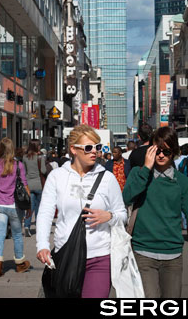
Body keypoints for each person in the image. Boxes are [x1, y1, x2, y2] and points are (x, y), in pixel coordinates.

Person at [36, 125, 127, 298]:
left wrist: (109, 216)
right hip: (66, 255)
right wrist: (42, 245)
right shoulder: (57, 176)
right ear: (73, 149)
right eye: (88, 147)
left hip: (99, 256)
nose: (94, 152)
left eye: (97, 147)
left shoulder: (107, 178)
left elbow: (122, 214)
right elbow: (45, 213)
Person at [123, 126, 188, 298]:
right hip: (143, 252)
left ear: (175, 153)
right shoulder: (138, 173)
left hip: (173, 254)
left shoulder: (182, 182)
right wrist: (146, 170)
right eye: (157, 151)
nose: (161, 155)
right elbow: (125, 199)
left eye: (167, 151)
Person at [0, 137, 32, 277]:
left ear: (0, 149)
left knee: (0, 236)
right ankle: (20, 264)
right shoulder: (18, 165)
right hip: (14, 206)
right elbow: (24, 184)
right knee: (17, 236)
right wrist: (29, 205)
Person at [23, 139, 47, 237]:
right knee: (39, 208)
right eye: (39, 145)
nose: (40, 146)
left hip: (29, 185)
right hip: (39, 185)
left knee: (30, 207)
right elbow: (44, 170)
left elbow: (24, 172)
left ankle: (27, 226)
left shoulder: (24, 157)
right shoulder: (40, 157)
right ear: (36, 146)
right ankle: (39, 227)